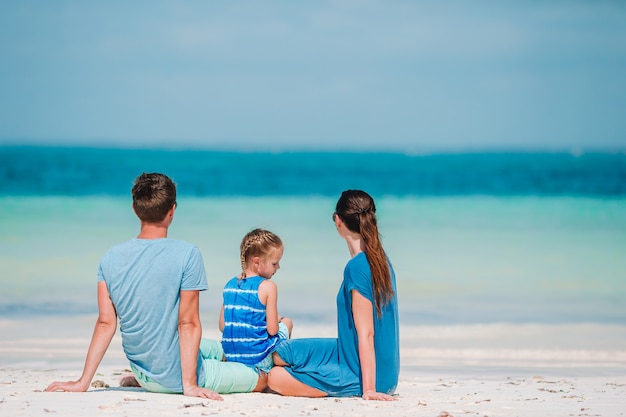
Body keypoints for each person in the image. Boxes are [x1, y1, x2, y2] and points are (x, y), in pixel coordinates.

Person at [45, 172, 264, 400]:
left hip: (144, 372)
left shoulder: (110, 258)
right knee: (262, 376)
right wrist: (189, 385)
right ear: (172, 210)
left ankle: (146, 379)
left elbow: (105, 323)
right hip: (175, 377)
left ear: (134, 209)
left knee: (224, 349)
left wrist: (82, 382)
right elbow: (187, 323)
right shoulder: (187, 255)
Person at [267, 189, 399, 400]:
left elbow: (367, 333)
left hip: (365, 374)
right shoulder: (381, 260)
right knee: (280, 354)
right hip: (361, 358)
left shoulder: (357, 267)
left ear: (338, 221)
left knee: (275, 377)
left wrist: (370, 390)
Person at [219, 229, 293, 374]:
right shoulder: (268, 286)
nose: (278, 268)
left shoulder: (229, 285)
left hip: (231, 357)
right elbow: (273, 330)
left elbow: (223, 325)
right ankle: (279, 367)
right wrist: (278, 320)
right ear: (257, 262)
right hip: (258, 360)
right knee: (287, 322)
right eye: (274, 263)